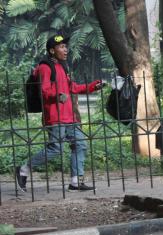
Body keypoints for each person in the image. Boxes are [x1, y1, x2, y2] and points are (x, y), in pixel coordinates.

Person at [15, 34, 105, 192]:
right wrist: (57, 96)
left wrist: (93, 86)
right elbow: (44, 90)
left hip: (70, 117)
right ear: (52, 50)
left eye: (65, 46)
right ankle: (23, 169)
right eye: (61, 47)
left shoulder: (62, 67)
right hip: (55, 116)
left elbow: (73, 88)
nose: (65, 49)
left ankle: (75, 182)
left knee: (80, 145)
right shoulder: (45, 67)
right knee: (56, 148)